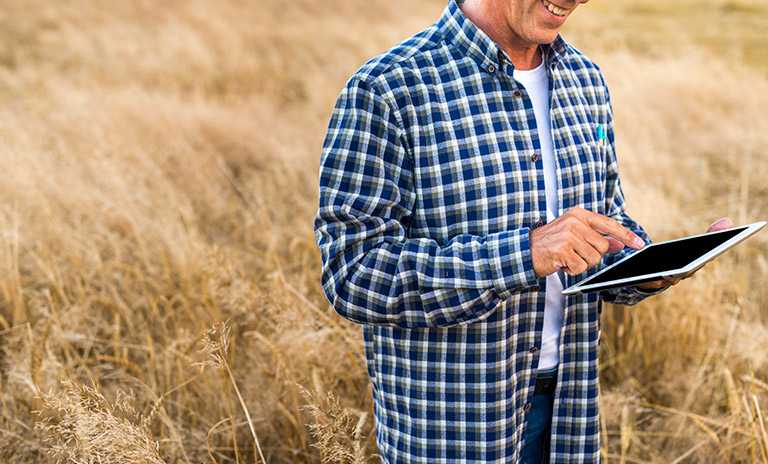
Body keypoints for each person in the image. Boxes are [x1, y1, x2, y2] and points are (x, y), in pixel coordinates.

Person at [314, 0, 731, 462]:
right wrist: (524, 255)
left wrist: (643, 267)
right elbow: (351, 274)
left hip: (570, 413)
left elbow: (605, 221)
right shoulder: (388, 89)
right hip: (456, 429)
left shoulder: (585, 80)